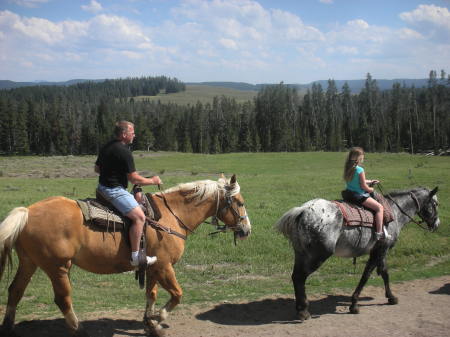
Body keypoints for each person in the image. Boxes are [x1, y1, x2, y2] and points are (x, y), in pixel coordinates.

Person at [95, 121, 162, 267]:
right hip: (114, 191)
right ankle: (136, 256)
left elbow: (97, 169)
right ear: (124, 134)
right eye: (132, 132)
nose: (134, 135)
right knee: (139, 217)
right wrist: (153, 180)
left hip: (101, 188)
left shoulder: (107, 146)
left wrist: (114, 172)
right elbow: (134, 179)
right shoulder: (124, 151)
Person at [342, 147, 391, 241]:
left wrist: (371, 181)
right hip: (358, 196)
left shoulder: (348, 167)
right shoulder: (360, 170)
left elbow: (359, 181)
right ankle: (379, 233)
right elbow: (364, 187)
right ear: (359, 158)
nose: (363, 158)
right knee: (379, 208)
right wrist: (371, 189)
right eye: (362, 156)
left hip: (349, 194)